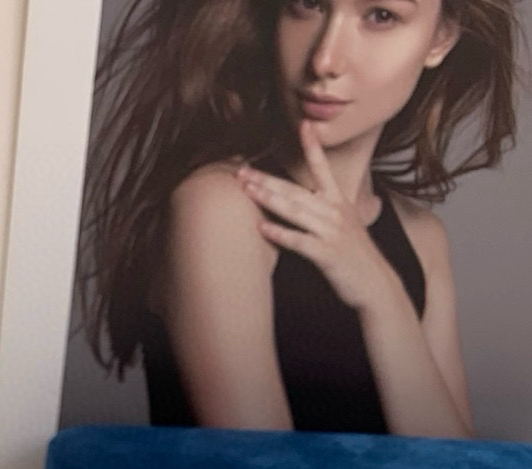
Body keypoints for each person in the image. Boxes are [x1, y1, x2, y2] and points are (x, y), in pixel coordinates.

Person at [77, 0, 522, 436]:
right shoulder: (220, 207)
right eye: (309, 4)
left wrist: (382, 296)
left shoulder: (422, 237)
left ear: (441, 38)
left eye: (381, 16)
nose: (325, 60)